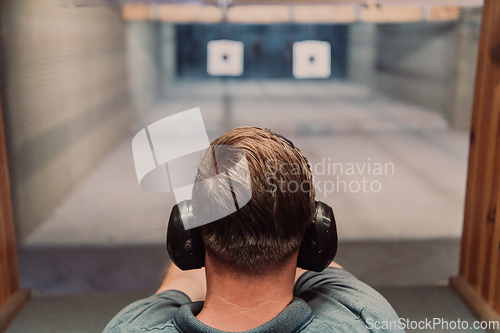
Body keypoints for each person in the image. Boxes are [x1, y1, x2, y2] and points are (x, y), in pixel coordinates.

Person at [103, 127, 404, 333]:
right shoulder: (367, 318)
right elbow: (322, 266)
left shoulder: (132, 326)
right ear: (316, 238)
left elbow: (180, 281)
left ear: (187, 235)